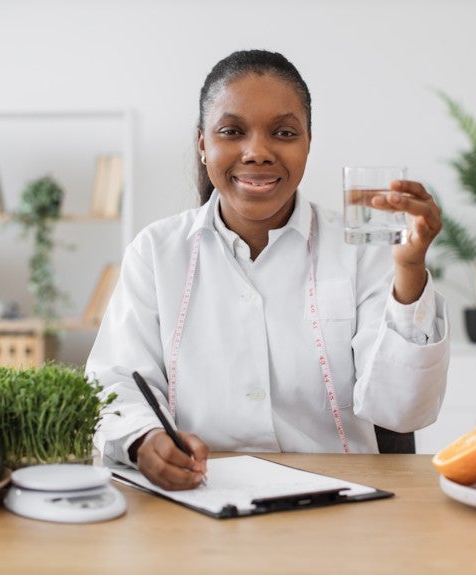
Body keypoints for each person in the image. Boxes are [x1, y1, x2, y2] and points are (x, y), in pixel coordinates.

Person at [86, 49, 450, 491]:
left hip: (337, 497)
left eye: (283, 132)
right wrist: (145, 439)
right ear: (203, 144)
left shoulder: (361, 250)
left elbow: (402, 412)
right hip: (201, 495)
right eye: (231, 131)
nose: (257, 152)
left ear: (308, 143)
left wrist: (410, 271)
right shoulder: (156, 252)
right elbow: (117, 381)